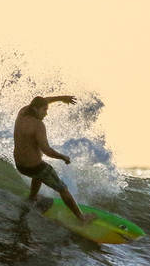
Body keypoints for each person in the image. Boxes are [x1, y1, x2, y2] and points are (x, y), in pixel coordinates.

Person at [13, 95, 93, 223]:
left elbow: (43, 101)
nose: (46, 114)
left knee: (38, 174)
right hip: (35, 167)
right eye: (44, 110)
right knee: (62, 188)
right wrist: (62, 157)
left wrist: (61, 98)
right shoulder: (38, 125)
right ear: (35, 109)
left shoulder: (22, 112)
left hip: (20, 165)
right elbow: (46, 150)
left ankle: (32, 198)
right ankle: (81, 218)